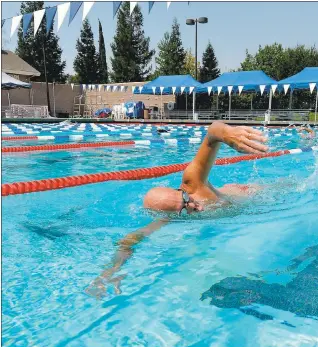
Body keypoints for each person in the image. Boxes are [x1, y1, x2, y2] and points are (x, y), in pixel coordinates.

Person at [86, 122, 268, 298]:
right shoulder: (168, 218)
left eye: (187, 200)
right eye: (183, 211)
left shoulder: (193, 184)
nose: (196, 207)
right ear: (171, 215)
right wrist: (108, 272)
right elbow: (129, 241)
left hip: (252, 192)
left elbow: (212, 132)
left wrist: (227, 133)